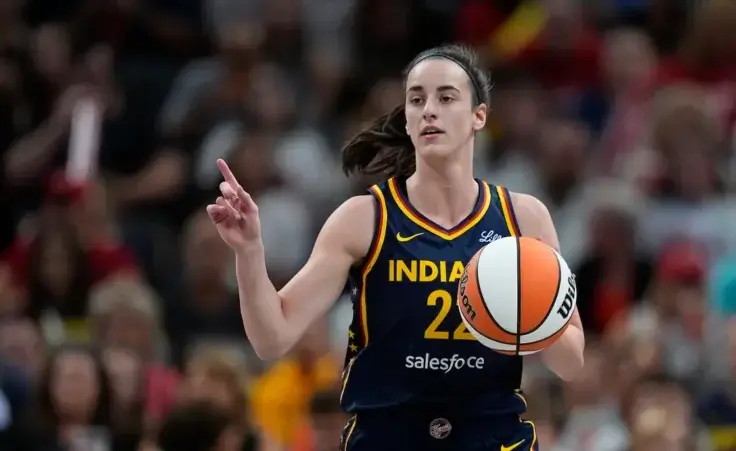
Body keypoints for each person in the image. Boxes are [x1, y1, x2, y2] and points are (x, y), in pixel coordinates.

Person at [207, 44, 585, 451]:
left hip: (493, 440)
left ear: (479, 116)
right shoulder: (363, 217)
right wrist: (248, 251)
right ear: (406, 119)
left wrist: (528, 314)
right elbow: (272, 339)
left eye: (446, 97)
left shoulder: (523, 218)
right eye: (417, 99)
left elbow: (572, 362)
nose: (429, 110)